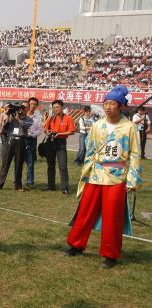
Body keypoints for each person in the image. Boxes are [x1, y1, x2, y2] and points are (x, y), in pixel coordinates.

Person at [65, 85, 142, 269]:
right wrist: (86, 172)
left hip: (116, 177)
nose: (108, 107)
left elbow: (135, 154)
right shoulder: (97, 125)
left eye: (113, 103)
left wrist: (132, 179)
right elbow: (90, 150)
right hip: (96, 174)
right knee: (85, 211)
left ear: (121, 106)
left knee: (112, 216)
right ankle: (76, 244)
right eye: (106, 103)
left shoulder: (130, 127)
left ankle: (110, 254)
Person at [0, 103, 33, 191]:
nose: (20, 110)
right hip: (10, 140)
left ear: (25, 110)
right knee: (5, 163)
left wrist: (18, 119)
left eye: (22, 109)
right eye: (19, 109)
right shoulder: (11, 116)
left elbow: (25, 126)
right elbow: (4, 128)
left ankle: (18, 185)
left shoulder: (29, 119)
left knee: (19, 164)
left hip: (20, 141)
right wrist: (9, 116)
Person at [44, 100, 76, 195]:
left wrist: (59, 134)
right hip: (51, 141)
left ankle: (65, 188)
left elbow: (72, 131)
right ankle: (51, 186)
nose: (55, 109)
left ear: (62, 107)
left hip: (61, 142)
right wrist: (48, 132)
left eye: (57, 107)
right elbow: (45, 128)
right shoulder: (51, 117)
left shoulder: (68, 118)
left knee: (62, 166)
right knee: (50, 165)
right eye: (54, 108)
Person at [24, 97, 42, 188]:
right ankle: (17, 180)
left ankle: (30, 181)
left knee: (30, 162)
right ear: (28, 104)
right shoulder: (22, 113)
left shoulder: (38, 116)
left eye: (35, 104)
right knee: (18, 161)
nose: (33, 106)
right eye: (31, 104)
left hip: (32, 140)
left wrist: (31, 134)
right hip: (21, 139)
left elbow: (39, 131)